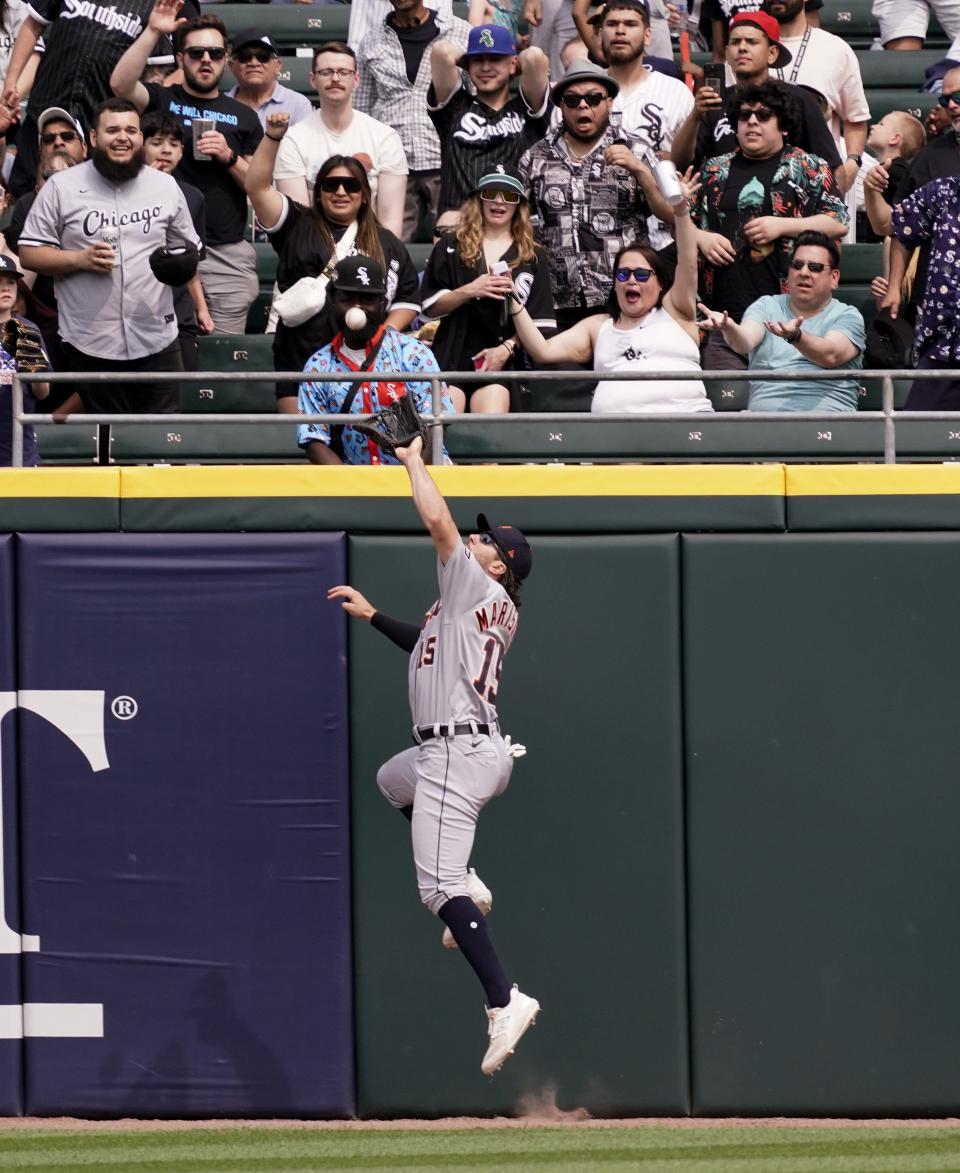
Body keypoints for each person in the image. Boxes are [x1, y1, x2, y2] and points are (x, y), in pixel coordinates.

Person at [326, 446, 540, 1077]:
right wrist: (371, 617)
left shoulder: (475, 582)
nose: (474, 540)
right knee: (392, 780)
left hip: (456, 749)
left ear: (498, 565)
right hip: (469, 748)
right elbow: (426, 645)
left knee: (436, 889)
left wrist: (412, 459)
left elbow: (438, 522)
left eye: (487, 541)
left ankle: (506, 999)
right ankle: (468, 883)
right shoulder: (481, 605)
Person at [18, 98, 201, 414]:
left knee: (160, 447)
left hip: (156, 338)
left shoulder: (166, 186)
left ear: (140, 138)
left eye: (131, 129)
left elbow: (189, 249)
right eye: (112, 130)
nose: (122, 137)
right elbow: (29, 253)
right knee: (106, 445)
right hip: (90, 341)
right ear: (92, 138)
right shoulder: (61, 187)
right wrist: (80, 259)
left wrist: (181, 264)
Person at [246, 112, 421, 415]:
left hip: (363, 364)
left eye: (351, 186)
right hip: (300, 359)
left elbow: (407, 298)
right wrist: (273, 138)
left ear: (365, 195)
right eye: (331, 184)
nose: (341, 191)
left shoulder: (387, 242)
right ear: (319, 191)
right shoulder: (296, 223)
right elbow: (257, 187)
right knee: (308, 448)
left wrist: (382, 337)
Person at [110, 2, 264, 334]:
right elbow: (120, 86)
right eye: (196, 53)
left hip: (225, 251)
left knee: (220, 364)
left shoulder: (245, 116)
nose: (206, 59)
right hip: (161, 246)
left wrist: (229, 156)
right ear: (181, 59)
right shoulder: (163, 99)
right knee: (164, 354)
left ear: (226, 58)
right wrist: (153, 32)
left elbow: (258, 187)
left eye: (215, 52)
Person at [507, 167, 712, 412]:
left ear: (660, 284)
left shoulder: (676, 310)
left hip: (686, 424)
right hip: (616, 438)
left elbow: (688, 260)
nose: (631, 280)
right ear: (615, 284)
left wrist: (680, 211)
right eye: (623, 274)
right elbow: (543, 351)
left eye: (642, 274)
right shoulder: (598, 326)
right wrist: (513, 299)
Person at [692, 82, 848, 371]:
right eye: (744, 115)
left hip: (786, 319)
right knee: (728, 411)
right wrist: (700, 236)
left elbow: (838, 222)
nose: (752, 121)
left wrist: (783, 226)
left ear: (783, 126)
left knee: (780, 407)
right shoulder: (713, 169)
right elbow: (681, 223)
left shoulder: (809, 166)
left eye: (764, 116)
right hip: (726, 318)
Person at [519, 59, 675, 329]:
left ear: (610, 103)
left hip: (623, 297)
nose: (583, 105)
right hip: (558, 298)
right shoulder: (536, 156)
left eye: (593, 98)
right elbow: (517, 224)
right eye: (572, 99)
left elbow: (670, 214)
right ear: (561, 106)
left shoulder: (637, 150)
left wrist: (640, 171)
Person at [0, 0, 198, 199]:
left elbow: (157, 75)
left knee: (91, 204)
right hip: (44, 110)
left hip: (97, 122)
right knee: (26, 197)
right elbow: (33, 25)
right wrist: (11, 81)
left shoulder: (152, 6)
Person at [420, 168, 556, 413]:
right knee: (443, 424)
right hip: (452, 353)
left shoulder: (534, 255)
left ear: (520, 206)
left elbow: (539, 325)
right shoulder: (451, 243)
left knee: (490, 418)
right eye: (492, 193)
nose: (499, 201)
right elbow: (429, 307)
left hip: (501, 358)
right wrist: (470, 289)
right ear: (479, 198)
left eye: (510, 196)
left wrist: (506, 350)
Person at [297, 254, 453, 466]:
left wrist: (415, 480)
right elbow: (314, 440)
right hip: (356, 486)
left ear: (382, 303)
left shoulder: (413, 353)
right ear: (333, 301)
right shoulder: (317, 366)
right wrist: (354, 492)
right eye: (348, 298)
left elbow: (437, 423)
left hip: (421, 478)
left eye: (367, 299)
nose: (357, 308)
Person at [699, 230, 864, 411]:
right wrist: (729, 327)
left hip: (827, 426)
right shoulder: (766, 306)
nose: (804, 272)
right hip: (766, 426)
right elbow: (744, 342)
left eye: (815, 267)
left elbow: (831, 355)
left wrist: (796, 337)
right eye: (797, 265)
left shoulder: (847, 315)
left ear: (834, 278)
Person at [670, 13, 841, 176]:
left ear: (772, 53)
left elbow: (831, 167)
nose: (742, 48)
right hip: (725, 200)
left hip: (784, 201)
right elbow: (680, 163)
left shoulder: (797, 99)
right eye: (736, 42)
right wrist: (695, 115)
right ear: (727, 54)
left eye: (752, 42)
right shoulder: (714, 102)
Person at [355, 0, 470, 242]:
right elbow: (362, 110)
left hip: (447, 160)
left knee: (457, 251)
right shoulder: (371, 42)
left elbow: (477, 94)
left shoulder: (459, 31)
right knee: (389, 251)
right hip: (393, 165)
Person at [273, 41, 408, 239]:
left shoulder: (384, 138)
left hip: (372, 250)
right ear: (313, 79)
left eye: (343, 72)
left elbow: (391, 223)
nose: (335, 78)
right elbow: (300, 223)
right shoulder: (294, 139)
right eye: (326, 72)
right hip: (315, 252)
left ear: (356, 79)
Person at [429, 24, 549, 218]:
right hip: (460, 222)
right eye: (478, 60)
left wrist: (510, 65)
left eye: (495, 59)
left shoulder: (527, 108)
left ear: (513, 63)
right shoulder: (456, 107)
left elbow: (534, 57)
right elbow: (441, 51)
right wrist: (470, 64)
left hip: (514, 224)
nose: (485, 67)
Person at [761, 0, 869, 197]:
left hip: (824, 178)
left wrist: (852, 163)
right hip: (762, 177)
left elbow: (856, 119)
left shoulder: (835, 49)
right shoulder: (750, 48)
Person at [141, 111, 211, 370]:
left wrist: (201, 309)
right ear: (141, 145)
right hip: (138, 309)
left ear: (182, 151)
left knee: (182, 389)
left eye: (173, 144)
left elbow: (192, 260)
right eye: (157, 142)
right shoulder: (124, 191)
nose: (165, 150)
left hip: (179, 312)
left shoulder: (193, 197)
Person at [882, 175, 960, 409]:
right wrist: (894, 286)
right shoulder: (945, 190)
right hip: (941, 344)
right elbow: (900, 228)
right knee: (914, 437)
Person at [598, 0, 693, 155]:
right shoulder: (579, 92)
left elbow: (690, 160)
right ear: (601, 34)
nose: (620, 30)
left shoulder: (677, 93)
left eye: (630, 24)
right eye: (612, 24)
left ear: (647, 35)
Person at [0, 254, 50, 467]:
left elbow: (43, 392)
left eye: (11, 282)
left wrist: (32, 365)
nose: (6, 288)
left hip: (20, 445)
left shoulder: (28, 329)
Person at [226, 28, 312, 130]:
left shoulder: (298, 105)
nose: (254, 63)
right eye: (245, 56)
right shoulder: (220, 105)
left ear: (278, 66)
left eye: (263, 56)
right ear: (232, 66)